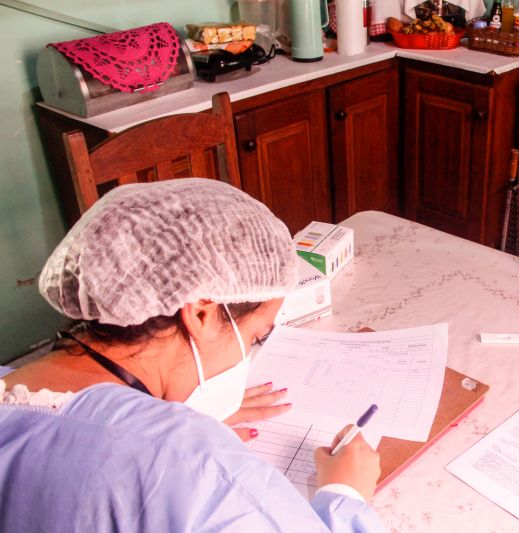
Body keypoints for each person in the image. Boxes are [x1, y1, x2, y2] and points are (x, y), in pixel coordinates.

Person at [0, 178, 385, 532]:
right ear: (201, 313)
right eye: (255, 337)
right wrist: (346, 498)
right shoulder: (202, 470)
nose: (247, 356)